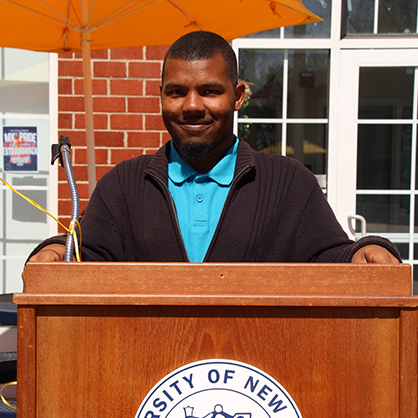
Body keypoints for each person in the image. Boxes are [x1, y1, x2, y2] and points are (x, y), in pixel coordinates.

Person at [26, 31, 400, 265]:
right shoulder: (123, 186)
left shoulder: (289, 185)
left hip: (253, 384)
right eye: (176, 92)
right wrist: (58, 251)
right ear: (160, 97)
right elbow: (87, 259)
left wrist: (363, 252)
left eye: (209, 91)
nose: (191, 105)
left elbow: (330, 258)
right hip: (151, 384)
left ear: (237, 97)